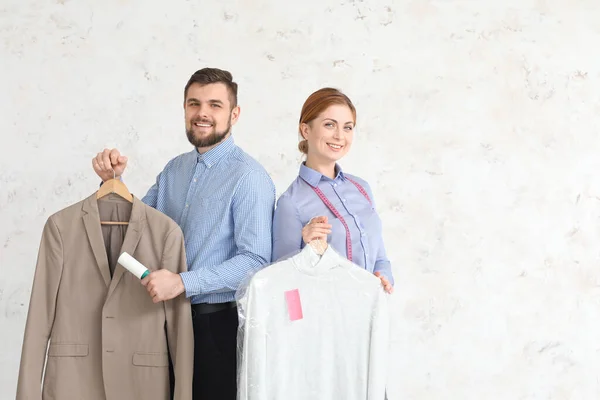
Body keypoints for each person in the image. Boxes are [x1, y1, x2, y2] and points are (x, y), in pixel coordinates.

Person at [92, 67, 275, 400]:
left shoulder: (250, 177)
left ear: (234, 114)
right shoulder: (174, 169)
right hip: (162, 323)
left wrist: (182, 282)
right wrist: (112, 184)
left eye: (214, 105)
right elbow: (134, 231)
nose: (202, 113)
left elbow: (256, 261)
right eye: (194, 103)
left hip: (216, 329)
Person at [272, 87, 394, 293]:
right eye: (329, 125)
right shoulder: (290, 203)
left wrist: (384, 276)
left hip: (371, 312)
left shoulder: (362, 188)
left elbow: (380, 258)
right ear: (306, 130)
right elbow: (284, 286)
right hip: (325, 320)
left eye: (348, 127)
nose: (339, 136)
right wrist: (306, 248)